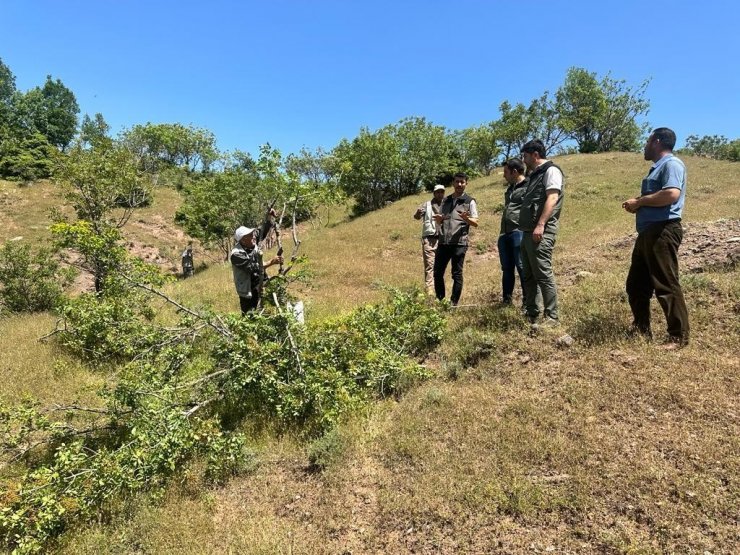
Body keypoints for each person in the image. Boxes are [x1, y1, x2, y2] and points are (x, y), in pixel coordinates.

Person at [622, 127, 689, 346]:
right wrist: (639, 203)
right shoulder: (657, 168)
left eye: (648, 140)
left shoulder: (672, 164)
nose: (645, 144)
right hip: (648, 232)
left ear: (657, 141)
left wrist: (640, 202)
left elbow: (671, 194)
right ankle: (641, 329)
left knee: (665, 283)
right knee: (636, 284)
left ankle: (678, 336)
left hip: (663, 230)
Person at [519, 139, 565, 327]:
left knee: (543, 273)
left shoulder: (551, 171)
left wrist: (541, 224)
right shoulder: (534, 175)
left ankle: (552, 317)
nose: (524, 160)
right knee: (528, 274)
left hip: (540, 230)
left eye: (525, 156)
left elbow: (552, 197)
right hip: (528, 231)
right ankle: (532, 312)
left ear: (535, 155)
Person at [433, 172, 478, 306]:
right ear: (453, 183)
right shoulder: (445, 200)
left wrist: (466, 218)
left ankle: (453, 304)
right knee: (437, 273)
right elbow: (440, 221)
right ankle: (441, 302)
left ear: (466, 184)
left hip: (459, 243)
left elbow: (476, 222)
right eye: (457, 181)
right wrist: (440, 220)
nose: (459, 184)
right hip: (443, 242)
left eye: (462, 182)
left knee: (456, 274)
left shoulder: (470, 201)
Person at [231, 222, 283, 314]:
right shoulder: (236, 254)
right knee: (249, 316)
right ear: (243, 240)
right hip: (247, 291)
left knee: (266, 310)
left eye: (253, 234)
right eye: (250, 235)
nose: (254, 236)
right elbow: (252, 267)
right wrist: (271, 262)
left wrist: (270, 217)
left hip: (260, 284)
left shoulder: (251, 241)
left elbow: (262, 230)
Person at [498, 158, 528, 305]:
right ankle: (506, 301)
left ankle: (528, 303)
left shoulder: (528, 186)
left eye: (506, 172)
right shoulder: (510, 189)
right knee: (507, 269)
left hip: (519, 231)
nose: (504, 175)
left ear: (514, 172)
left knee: (522, 268)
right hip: (504, 234)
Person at [413, 184, 445, 295]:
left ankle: (439, 289)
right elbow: (417, 217)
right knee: (429, 265)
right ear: (434, 193)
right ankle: (429, 289)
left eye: (442, 192)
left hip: (443, 239)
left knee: (439, 266)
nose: (440, 194)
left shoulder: (447, 205)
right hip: (429, 239)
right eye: (438, 192)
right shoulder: (426, 205)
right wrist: (417, 213)